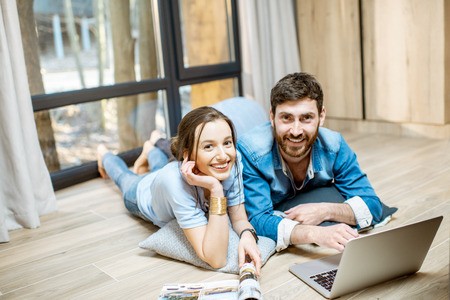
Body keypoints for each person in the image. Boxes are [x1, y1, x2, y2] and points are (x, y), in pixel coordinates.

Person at [236, 72, 397, 253]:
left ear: (321, 116)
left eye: (306, 118)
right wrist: (316, 234)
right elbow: (258, 219)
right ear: (272, 117)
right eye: (286, 118)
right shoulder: (250, 151)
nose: (296, 131)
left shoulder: (334, 145)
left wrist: (324, 211)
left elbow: (372, 205)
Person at [97, 106, 262, 274]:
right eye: (209, 147)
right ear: (188, 155)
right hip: (142, 192)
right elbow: (216, 259)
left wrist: (248, 236)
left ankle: (151, 147)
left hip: (166, 177)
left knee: (160, 167)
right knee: (123, 177)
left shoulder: (231, 162)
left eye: (227, 143)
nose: (223, 155)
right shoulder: (175, 183)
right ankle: (103, 154)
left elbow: (239, 219)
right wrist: (216, 188)